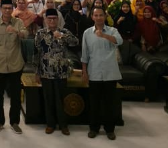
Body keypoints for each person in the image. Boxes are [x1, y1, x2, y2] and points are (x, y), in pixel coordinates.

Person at [0, 0, 28, 134]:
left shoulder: (18, 22)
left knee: (15, 96)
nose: (7, 10)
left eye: (10, 8)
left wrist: (16, 31)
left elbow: (25, 35)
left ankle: (15, 122)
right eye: (5, 8)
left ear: (12, 9)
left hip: (15, 64)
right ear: (1, 9)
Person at [34, 8, 78, 135]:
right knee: (48, 99)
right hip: (46, 72)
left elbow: (75, 42)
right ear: (46, 20)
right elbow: (36, 53)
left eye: (54, 19)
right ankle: (50, 124)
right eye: (49, 19)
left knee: (61, 99)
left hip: (61, 72)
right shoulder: (40, 33)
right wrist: (36, 72)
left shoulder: (64, 31)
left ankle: (63, 124)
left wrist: (62, 36)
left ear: (58, 19)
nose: (52, 21)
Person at [81, 7, 122, 140]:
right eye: (96, 15)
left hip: (110, 73)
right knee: (94, 103)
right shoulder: (87, 33)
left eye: (101, 15)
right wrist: (84, 72)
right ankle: (94, 128)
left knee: (110, 103)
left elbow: (119, 41)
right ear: (92, 17)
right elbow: (84, 54)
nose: (98, 17)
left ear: (105, 16)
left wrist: (104, 35)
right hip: (94, 72)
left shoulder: (113, 30)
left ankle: (110, 129)